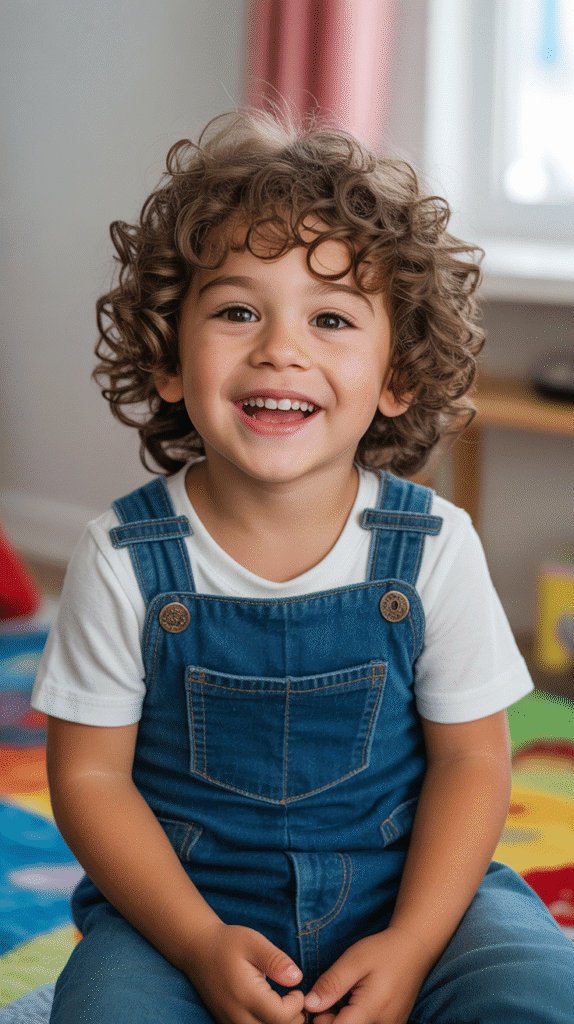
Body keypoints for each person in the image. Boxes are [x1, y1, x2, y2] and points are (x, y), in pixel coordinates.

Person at [32, 110, 574, 1024]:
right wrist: (199, 944)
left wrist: (410, 947)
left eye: (330, 318)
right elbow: (89, 780)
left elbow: (474, 762)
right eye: (239, 310)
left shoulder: (434, 544)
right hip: (185, 912)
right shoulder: (122, 558)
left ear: (396, 376)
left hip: (415, 895)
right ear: (170, 358)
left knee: (538, 989)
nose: (281, 347)